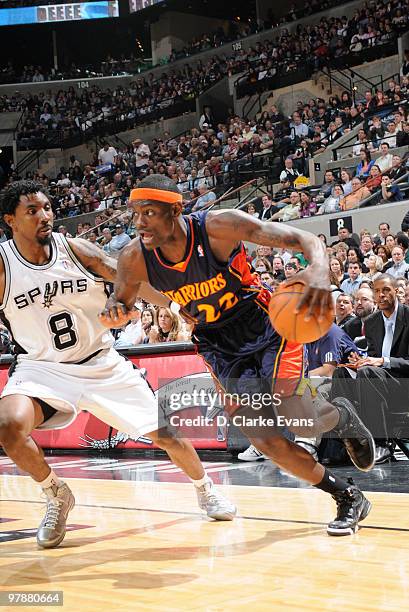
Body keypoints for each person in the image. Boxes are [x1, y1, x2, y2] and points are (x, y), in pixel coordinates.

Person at [101, 174, 376, 537]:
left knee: (297, 414)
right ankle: (347, 494)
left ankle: (340, 417)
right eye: (135, 213)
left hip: (265, 326)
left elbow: (304, 238)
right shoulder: (135, 257)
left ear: (176, 210)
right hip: (218, 345)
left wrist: (320, 270)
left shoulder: (219, 227)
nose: (139, 223)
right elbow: (120, 299)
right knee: (264, 440)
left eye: (149, 212)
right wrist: (115, 311)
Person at [0, 180, 236, 550]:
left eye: (46, 207)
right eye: (32, 211)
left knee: (167, 436)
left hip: (102, 363)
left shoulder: (75, 249)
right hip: (42, 369)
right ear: (10, 220)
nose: (44, 215)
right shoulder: (4, 267)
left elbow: (129, 279)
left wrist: (177, 307)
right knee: (8, 425)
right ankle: (56, 494)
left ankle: (205, 489)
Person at [332, 275, 409, 463]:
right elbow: (373, 358)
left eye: (386, 290)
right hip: (377, 380)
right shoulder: (372, 322)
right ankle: (350, 441)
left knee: (369, 373)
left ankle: (380, 444)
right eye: (377, 291)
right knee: (341, 372)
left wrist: (383, 361)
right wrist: (362, 361)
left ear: (397, 292)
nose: (381, 295)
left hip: (403, 383)